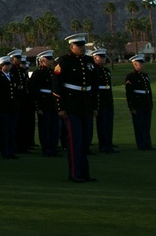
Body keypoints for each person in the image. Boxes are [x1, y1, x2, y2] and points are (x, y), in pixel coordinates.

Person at [52, 33, 98, 183]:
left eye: (83, 45)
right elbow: (56, 86)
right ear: (71, 47)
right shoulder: (64, 61)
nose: (82, 48)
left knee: (85, 141)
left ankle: (84, 173)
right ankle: (75, 173)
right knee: (74, 141)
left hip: (86, 105)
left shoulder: (89, 61)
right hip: (71, 106)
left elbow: (94, 86)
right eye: (79, 46)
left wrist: (95, 106)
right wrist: (61, 107)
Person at [29, 50, 60, 157]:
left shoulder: (53, 73)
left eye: (52, 59)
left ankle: (54, 148)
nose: (51, 61)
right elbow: (34, 91)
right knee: (45, 128)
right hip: (44, 103)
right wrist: (38, 107)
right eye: (49, 59)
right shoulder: (38, 73)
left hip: (53, 103)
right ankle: (46, 149)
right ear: (42, 60)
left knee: (54, 128)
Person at [0, 56, 19, 159]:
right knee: (4, 131)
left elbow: (15, 93)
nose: (8, 66)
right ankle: (5, 151)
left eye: (9, 64)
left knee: (12, 130)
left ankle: (11, 151)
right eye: (6, 65)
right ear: (1, 66)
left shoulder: (12, 76)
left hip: (12, 108)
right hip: (3, 108)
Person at [126, 55, 156, 151]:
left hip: (146, 104)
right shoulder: (131, 76)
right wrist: (132, 107)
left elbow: (149, 91)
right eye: (140, 64)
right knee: (139, 126)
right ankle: (141, 145)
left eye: (143, 63)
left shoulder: (145, 76)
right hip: (138, 104)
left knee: (146, 126)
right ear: (135, 64)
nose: (142, 65)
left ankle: (148, 144)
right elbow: (129, 94)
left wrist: (150, 103)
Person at [91, 48, 118, 154]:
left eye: (104, 57)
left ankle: (109, 144)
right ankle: (103, 145)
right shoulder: (94, 70)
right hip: (100, 100)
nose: (103, 59)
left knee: (109, 124)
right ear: (95, 58)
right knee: (102, 124)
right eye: (100, 57)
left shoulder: (106, 70)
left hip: (107, 100)